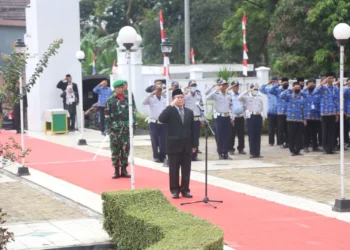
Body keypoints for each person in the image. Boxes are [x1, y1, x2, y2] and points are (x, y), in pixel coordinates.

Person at [158, 89, 197, 199]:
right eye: (177, 97)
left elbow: (193, 129)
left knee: (186, 169)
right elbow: (161, 119)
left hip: (187, 145)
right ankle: (175, 190)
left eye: (181, 97)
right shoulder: (170, 111)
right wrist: (170, 106)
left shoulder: (189, 112)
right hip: (173, 145)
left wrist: (194, 144)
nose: (180, 99)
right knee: (174, 169)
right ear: (173, 99)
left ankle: (185, 190)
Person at [105, 80, 137, 179]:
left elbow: (133, 112)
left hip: (126, 128)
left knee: (125, 149)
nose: (121, 89)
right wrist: (108, 127)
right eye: (119, 87)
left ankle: (124, 169)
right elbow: (107, 114)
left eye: (122, 87)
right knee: (115, 150)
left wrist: (134, 125)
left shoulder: (128, 99)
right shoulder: (110, 100)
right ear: (115, 89)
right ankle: (116, 171)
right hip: (115, 128)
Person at [206, 79, 234, 160]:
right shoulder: (216, 94)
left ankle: (225, 153)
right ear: (220, 86)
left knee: (227, 136)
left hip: (227, 117)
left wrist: (232, 117)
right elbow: (207, 97)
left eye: (225, 85)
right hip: (218, 117)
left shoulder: (229, 94)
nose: (224, 86)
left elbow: (231, 106)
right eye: (222, 85)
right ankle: (220, 153)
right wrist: (215, 89)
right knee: (219, 136)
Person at [312, 73, 339, 154]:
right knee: (325, 131)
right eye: (329, 78)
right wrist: (322, 83)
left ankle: (331, 148)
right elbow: (314, 92)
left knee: (332, 131)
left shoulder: (336, 88)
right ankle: (325, 148)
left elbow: (337, 101)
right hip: (324, 112)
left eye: (332, 78)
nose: (331, 80)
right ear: (326, 79)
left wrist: (337, 113)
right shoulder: (322, 87)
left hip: (332, 112)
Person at [142, 82, 167, 163]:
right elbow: (143, 102)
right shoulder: (151, 99)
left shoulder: (164, 99)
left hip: (163, 122)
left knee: (163, 140)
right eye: (157, 90)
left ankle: (163, 156)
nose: (159, 91)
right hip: (154, 122)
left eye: (160, 90)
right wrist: (151, 94)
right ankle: (156, 156)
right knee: (154, 140)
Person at [238, 84, 264, 158]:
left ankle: (257, 152)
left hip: (258, 116)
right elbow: (238, 98)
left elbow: (262, 109)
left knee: (258, 135)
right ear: (251, 89)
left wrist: (263, 119)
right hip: (250, 117)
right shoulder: (246, 97)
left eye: (256, 89)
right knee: (252, 135)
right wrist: (247, 91)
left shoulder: (259, 98)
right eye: (254, 89)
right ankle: (252, 152)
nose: (255, 91)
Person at [280, 82, 306, 156]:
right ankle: (292, 151)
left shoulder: (302, 98)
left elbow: (304, 109)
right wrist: (290, 90)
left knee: (299, 136)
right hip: (291, 119)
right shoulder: (289, 96)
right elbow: (281, 95)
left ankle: (297, 151)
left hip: (300, 119)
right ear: (293, 88)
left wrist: (305, 119)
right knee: (291, 136)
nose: (297, 89)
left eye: (298, 88)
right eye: (296, 87)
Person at [184, 80, 204, 161]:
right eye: (192, 85)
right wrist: (184, 92)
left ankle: (194, 155)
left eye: (194, 85)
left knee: (196, 137)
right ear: (189, 87)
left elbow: (202, 108)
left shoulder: (199, 96)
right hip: (188, 119)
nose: (193, 87)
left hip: (196, 119)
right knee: (188, 137)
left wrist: (202, 119)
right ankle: (188, 154)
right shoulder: (185, 96)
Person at [269, 77, 289, 148]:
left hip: (288, 112)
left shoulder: (289, 90)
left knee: (287, 128)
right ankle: (281, 142)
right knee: (280, 128)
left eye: (286, 82)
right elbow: (271, 91)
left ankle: (287, 142)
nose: (285, 83)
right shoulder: (278, 90)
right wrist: (277, 85)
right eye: (284, 82)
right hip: (280, 112)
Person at [226, 81, 246, 155]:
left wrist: (244, 108)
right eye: (234, 86)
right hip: (233, 117)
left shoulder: (241, 95)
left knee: (241, 134)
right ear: (231, 87)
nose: (236, 88)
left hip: (240, 116)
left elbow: (245, 103)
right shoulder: (229, 95)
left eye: (237, 86)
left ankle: (241, 148)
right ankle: (231, 148)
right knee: (232, 134)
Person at [302, 79, 322, 152]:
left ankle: (315, 147)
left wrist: (320, 116)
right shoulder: (304, 93)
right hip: (307, 116)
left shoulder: (317, 93)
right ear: (307, 85)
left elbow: (320, 105)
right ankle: (305, 146)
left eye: (313, 84)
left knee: (315, 133)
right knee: (306, 133)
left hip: (316, 116)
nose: (312, 85)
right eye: (310, 84)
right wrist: (307, 87)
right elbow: (300, 93)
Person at [260, 78, 279, 146]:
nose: (275, 83)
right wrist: (267, 83)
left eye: (276, 81)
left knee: (279, 128)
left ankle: (279, 142)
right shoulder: (268, 90)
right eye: (273, 81)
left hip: (279, 112)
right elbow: (261, 89)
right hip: (271, 112)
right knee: (271, 128)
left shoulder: (279, 90)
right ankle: (271, 142)